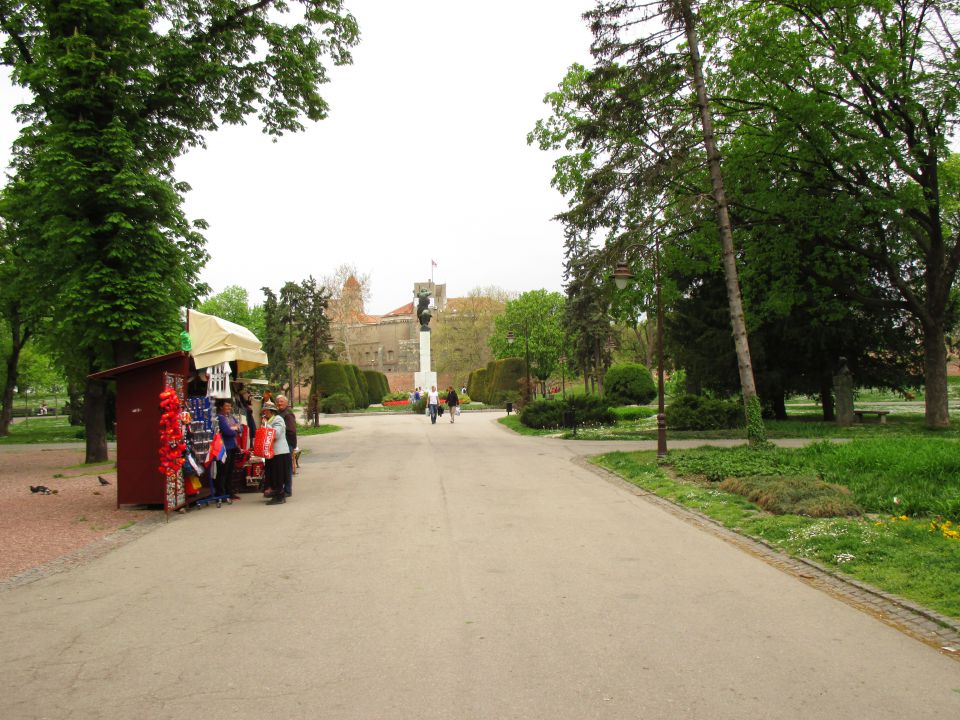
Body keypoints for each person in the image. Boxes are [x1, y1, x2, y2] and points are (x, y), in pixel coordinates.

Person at [260, 401, 290, 505]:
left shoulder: (278, 419)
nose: (264, 413)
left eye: (266, 411)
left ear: (270, 411)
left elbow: (276, 434)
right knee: (272, 475)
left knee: (278, 476)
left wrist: (266, 425)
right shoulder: (268, 421)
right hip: (271, 453)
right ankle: (275, 494)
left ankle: (280, 496)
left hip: (279, 452)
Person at [215, 399, 242, 502]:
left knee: (230, 470)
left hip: (232, 446)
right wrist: (235, 429)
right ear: (221, 407)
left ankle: (229, 492)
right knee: (223, 471)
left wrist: (234, 428)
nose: (229, 408)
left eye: (230, 406)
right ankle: (222, 493)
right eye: (227, 406)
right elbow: (227, 432)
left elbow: (241, 428)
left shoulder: (231, 417)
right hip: (224, 447)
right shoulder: (220, 418)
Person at [276, 395, 298, 493]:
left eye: (281, 401)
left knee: (287, 467)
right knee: (283, 468)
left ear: (286, 403)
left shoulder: (288, 414)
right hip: (282, 444)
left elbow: (292, 430)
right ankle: (284, 488)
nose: (279, 403)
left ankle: (288, 490)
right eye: (278, 402)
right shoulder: (279, 413)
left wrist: (293, 445)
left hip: (287, 444)